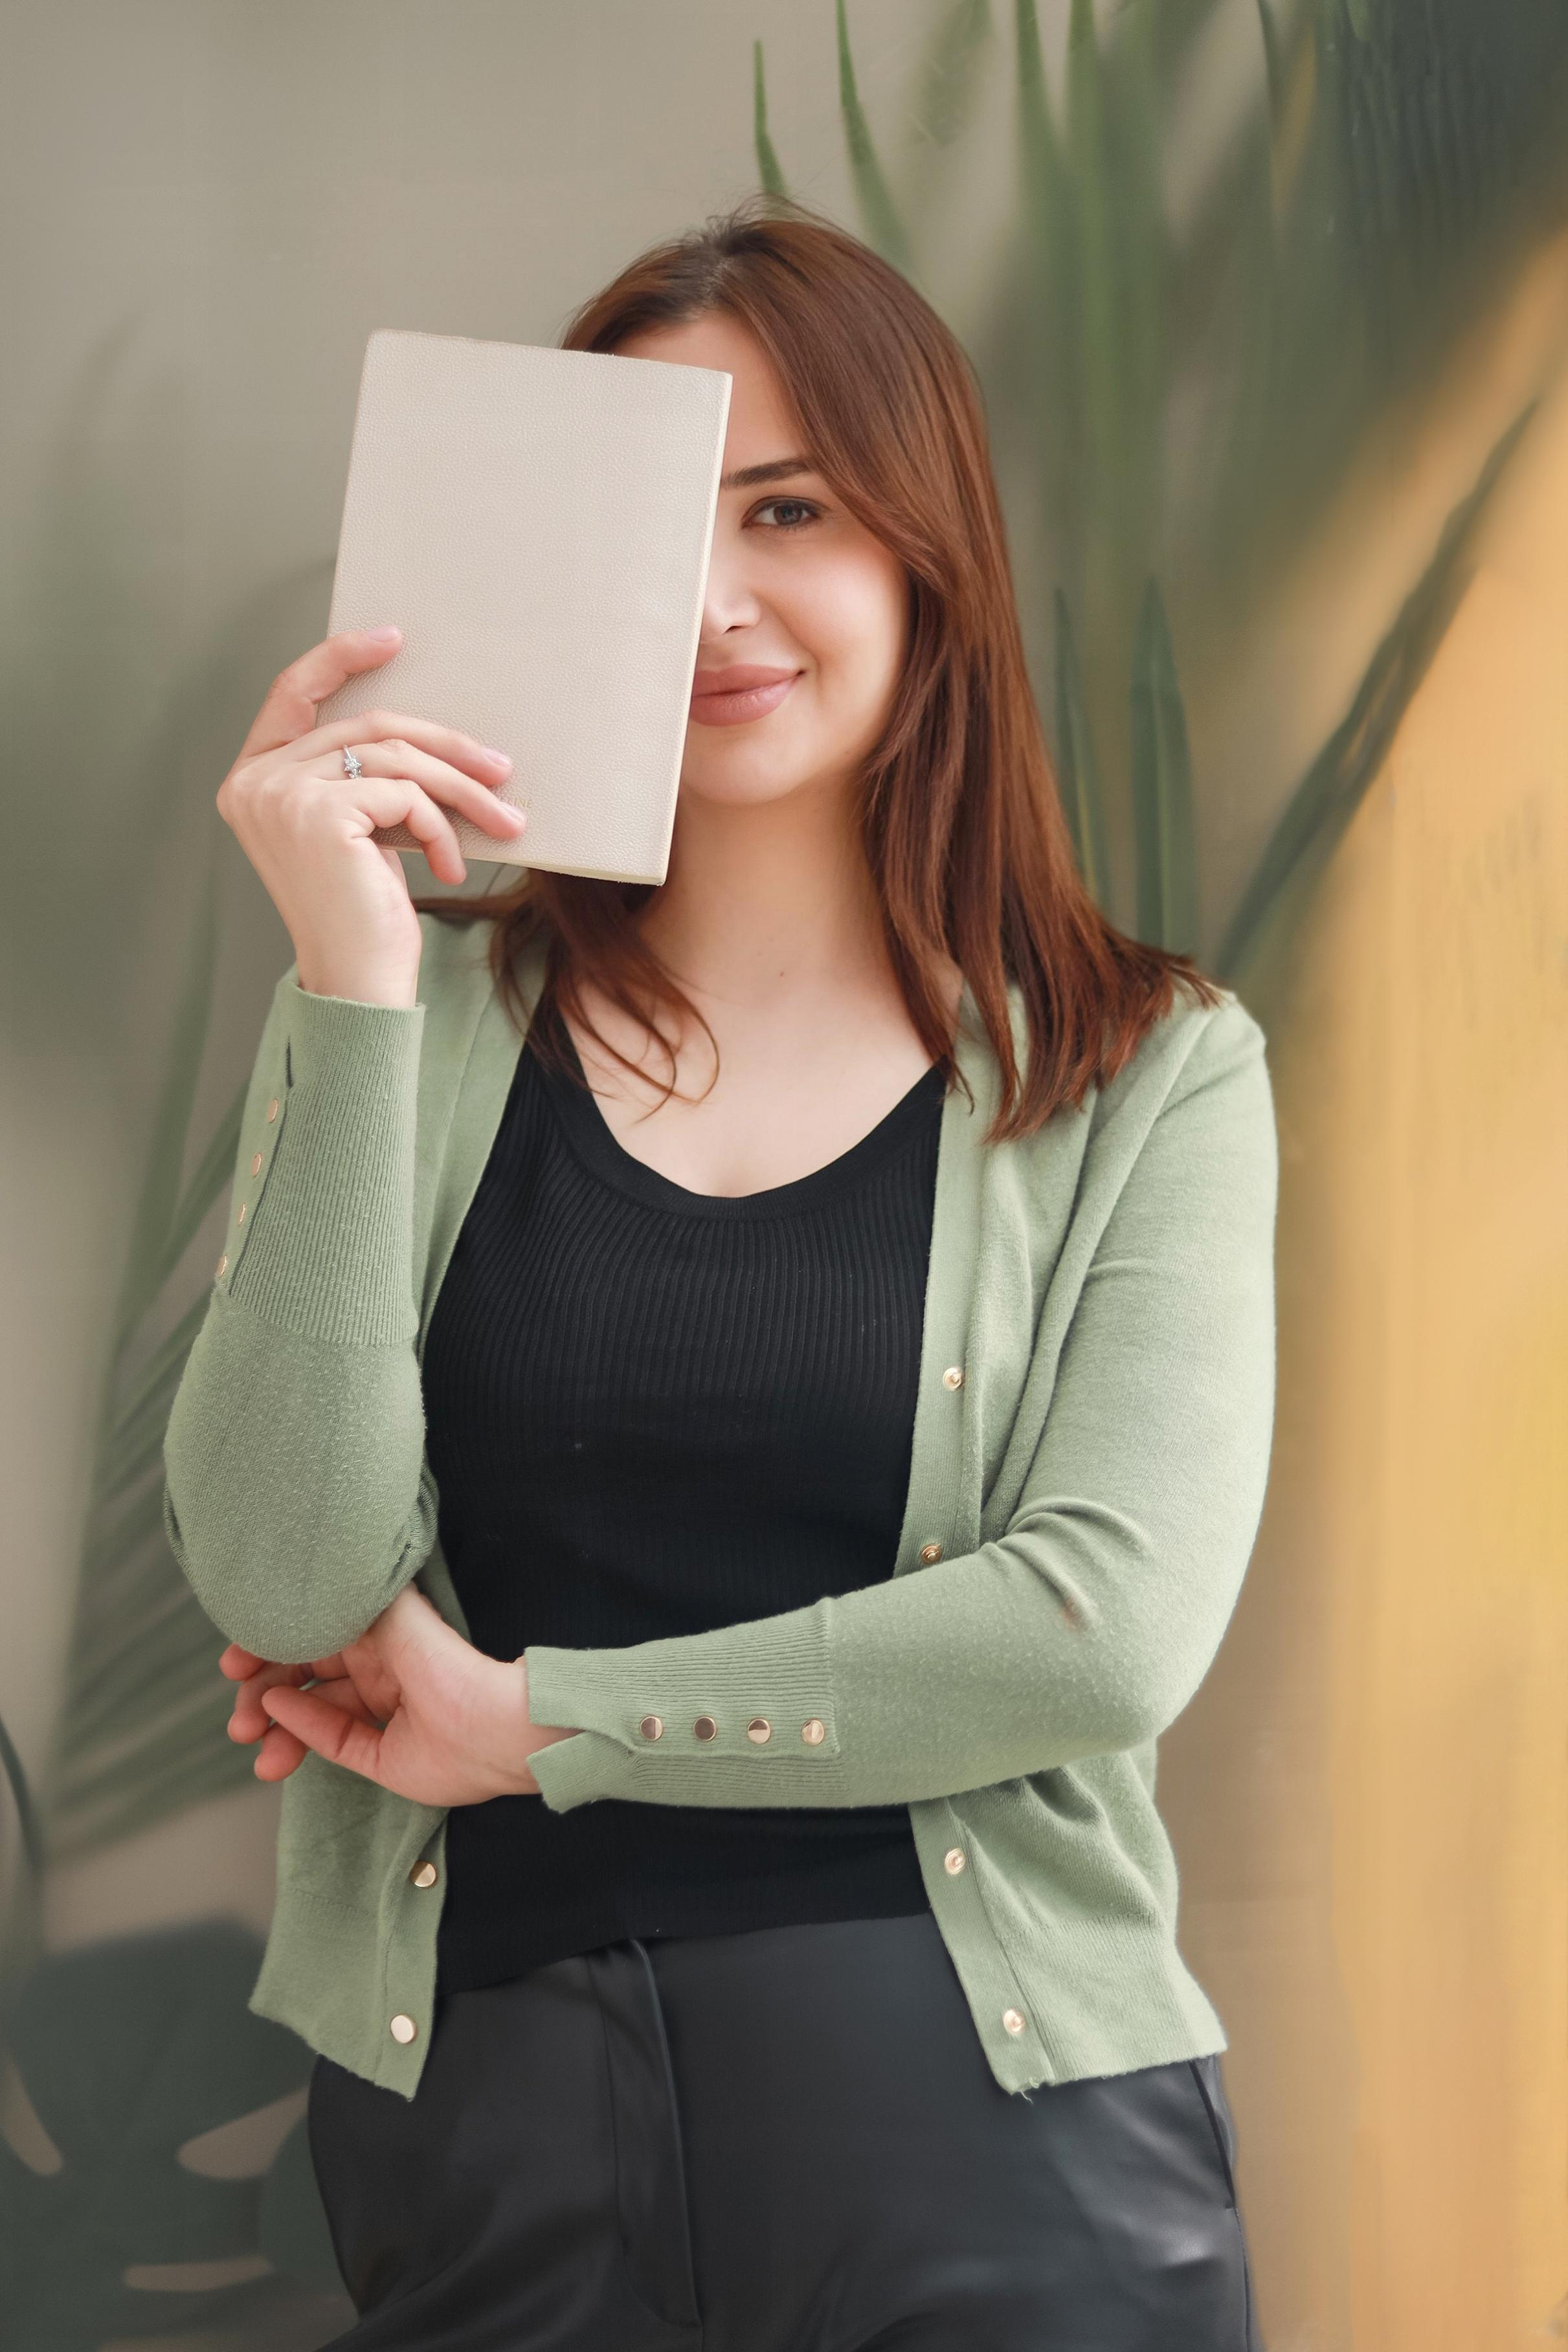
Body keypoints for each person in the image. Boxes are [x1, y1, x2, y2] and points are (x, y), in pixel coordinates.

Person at [163, 194, 1277, 2351]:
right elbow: (287, 1576)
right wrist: (351, 974)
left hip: (1001, 2139)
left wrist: (540, 1723)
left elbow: (1101, 1628)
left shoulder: (1147, 1067)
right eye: (654, 515)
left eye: (787, 507)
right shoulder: (417, 1031)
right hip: (496, 2143)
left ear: (920, 545)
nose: (709, 600)